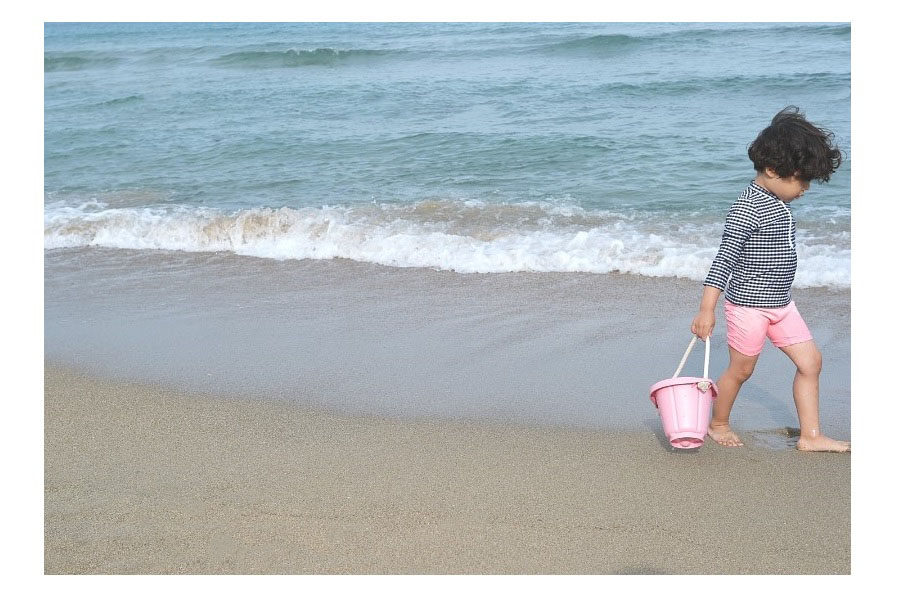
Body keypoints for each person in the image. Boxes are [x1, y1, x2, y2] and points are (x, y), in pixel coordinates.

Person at [691, 106, 850, 452]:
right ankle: (718, 423)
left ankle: (810, 437)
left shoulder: (777, 201)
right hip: (748, 307)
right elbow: (724, 259)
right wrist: (706, 309)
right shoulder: (747, 208)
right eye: (801, 180)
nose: (805, 188)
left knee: (811, 362)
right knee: (741, 370)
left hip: (781, 304)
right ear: (773, 170)